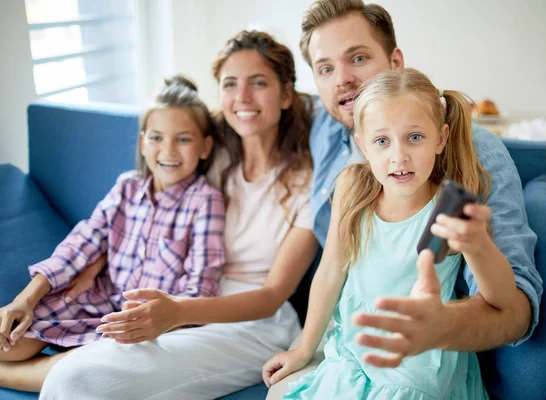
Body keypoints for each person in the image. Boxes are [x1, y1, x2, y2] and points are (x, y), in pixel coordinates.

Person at [39, 30, 319, 400]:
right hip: (182, 295)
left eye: (259, 83)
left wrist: (176, 312)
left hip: (253, 323)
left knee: (80, 377)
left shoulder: (309, 184)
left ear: (286, 95)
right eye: (230, 83)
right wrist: (93, 268)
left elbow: (272, 294)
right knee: (83, 364)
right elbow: (138, 215)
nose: (242, 97)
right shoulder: (207, 153)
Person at [299, 0, 542, 371]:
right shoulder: (333, 134)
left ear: (396, 62)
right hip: (343, 344)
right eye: (325, 68)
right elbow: (332, 268)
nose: (342, 79)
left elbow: (514, 307)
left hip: (420, 358)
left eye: (358, 58)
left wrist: (441, 327)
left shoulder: (465, 161)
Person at [264, 68, 515, 398]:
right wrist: (304, 349)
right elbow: (331, 270)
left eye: (414, 137)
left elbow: (501, 298)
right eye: (382, 141)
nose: (399, 156)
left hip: (415, 363)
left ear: (440, 138)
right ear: (363, 145)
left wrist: (478, 243)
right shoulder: (352, 187)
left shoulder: (448, 205)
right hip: (353, 349)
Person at [0, 75, 226, 392]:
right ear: (143, 141)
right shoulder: (127, 187)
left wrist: (159, 319)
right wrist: (24, 299)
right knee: (10, 335)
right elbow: (81, 243)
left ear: (205, 147)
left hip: (143, 325)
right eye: (157, 137)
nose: (168, 150)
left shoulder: (206, 202)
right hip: (96, 300)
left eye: (184, 139)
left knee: (80, 372)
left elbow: (201, 287)